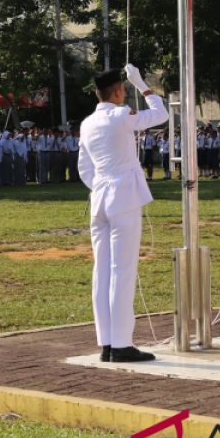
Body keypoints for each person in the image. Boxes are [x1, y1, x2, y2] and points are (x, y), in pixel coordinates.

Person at [78, 64, 169, 364]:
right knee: (122, 271)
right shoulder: (120, 115)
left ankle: (106, 342)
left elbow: (84, 168)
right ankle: (121, 343)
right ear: (118, 92)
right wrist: (142, 84)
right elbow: (161, 114)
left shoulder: (87, 123)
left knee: (101, 272)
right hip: (123, 198)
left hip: (100, 199)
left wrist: (103, 185)